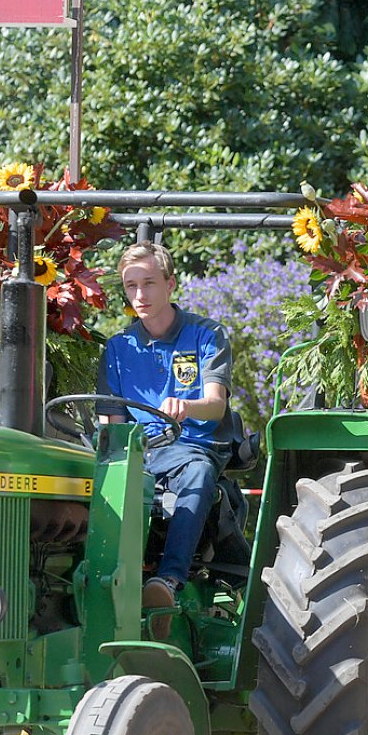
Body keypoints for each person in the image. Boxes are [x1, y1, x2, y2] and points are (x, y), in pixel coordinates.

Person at [98, 242, 234, 634]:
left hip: (192, 445)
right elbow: (112, 420)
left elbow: (215, 405)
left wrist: (187, 406)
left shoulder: (206, 334)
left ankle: (168, 581)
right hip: (143, 452)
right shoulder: (118, 347)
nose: (140, 295)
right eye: (130, 286)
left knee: (196, 471)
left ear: (170, 284)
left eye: (149, 283)